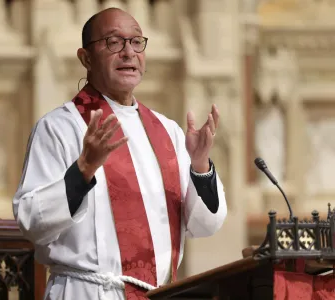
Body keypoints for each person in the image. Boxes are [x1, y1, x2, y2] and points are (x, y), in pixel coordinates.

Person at [13, 7, 227, 300]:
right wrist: (84, 170)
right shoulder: (60, 128)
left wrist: (200, 166)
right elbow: (31, 222)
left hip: (157, 294)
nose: (128, 52)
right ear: (85, 58)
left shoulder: (168, 132)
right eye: (114, 42)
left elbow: (205, 225)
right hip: (85, 292)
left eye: (136, 42)